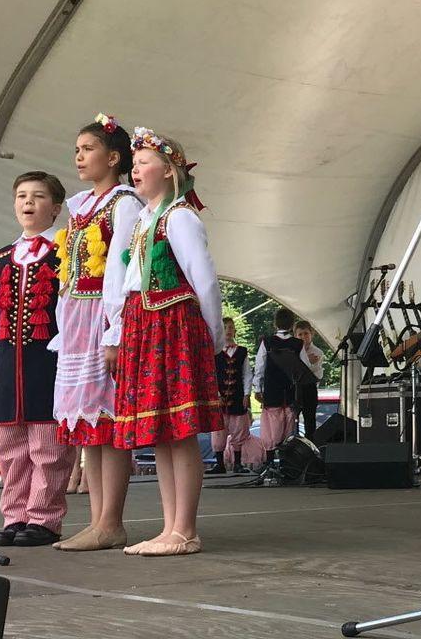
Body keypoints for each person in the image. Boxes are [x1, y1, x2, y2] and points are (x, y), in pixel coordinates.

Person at [112, 127, 224, 557]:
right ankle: (169, 525)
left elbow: (205, 281)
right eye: (134, 163)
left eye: (143, 162)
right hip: (146, 324)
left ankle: (186, 529)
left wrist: (210, 338)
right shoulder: (144, 219)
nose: (135, 169)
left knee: (179, 432)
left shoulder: (179, 217)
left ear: (170, 168)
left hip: (174, 324)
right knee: (161, 433)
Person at [51, 114, 143, 552]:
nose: (79, 157)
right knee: (87, 423)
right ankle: (96, 520)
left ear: (113, 157)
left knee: (107, 418)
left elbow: (123, 270)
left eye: (87, 149)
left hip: (103, 319)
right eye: (77, 150)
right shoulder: (81, 204)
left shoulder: (124, 203)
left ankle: (111, 521)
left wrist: (115, 332)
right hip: (75, 317)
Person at [0, 171, 74, 546]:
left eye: (37, 196)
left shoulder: (65, 251)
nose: (28, 203)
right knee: (10, 443)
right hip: (8, 358)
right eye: (21, 196)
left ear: (56, 207)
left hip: (48, 357)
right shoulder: (1, 257)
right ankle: (15, 515)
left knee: (47, 441)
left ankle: (45, 518)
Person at [253, 308, 303, 460]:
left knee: (270, 427)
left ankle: (269, 460)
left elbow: (259, 366)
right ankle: (284, 461)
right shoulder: (297, 344)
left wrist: (257, 388)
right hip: (289, 391)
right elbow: (303, 368)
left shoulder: (267, 342)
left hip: (271, 391)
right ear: (292, 324)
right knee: (288, 425)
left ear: (275, 323)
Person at [207, 317, 255, 474]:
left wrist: (247, 394)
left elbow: (247, 374)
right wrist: (216, 394)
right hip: (220, 398)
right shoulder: (214, 352)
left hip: (237, 396)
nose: (228, 330)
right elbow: (211, 375)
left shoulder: (242, 351)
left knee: (238, 428)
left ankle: (238, 463)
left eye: (230, 327)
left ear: (235, 331)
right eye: (225, 327)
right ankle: (219, 463)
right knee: (219, 430)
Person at [293, 319, 324, 441]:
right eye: (300, 334)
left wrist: (305, 363)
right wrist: (306, 361)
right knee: (291, 418)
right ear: (295, 336)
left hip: (309, 388)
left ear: (311, 334)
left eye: (306, 333)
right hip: (295, 388)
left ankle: (311, 445)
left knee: (309, 420)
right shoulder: (293, 351)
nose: (303, 337)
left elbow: (313, 372)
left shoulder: (317, 352)